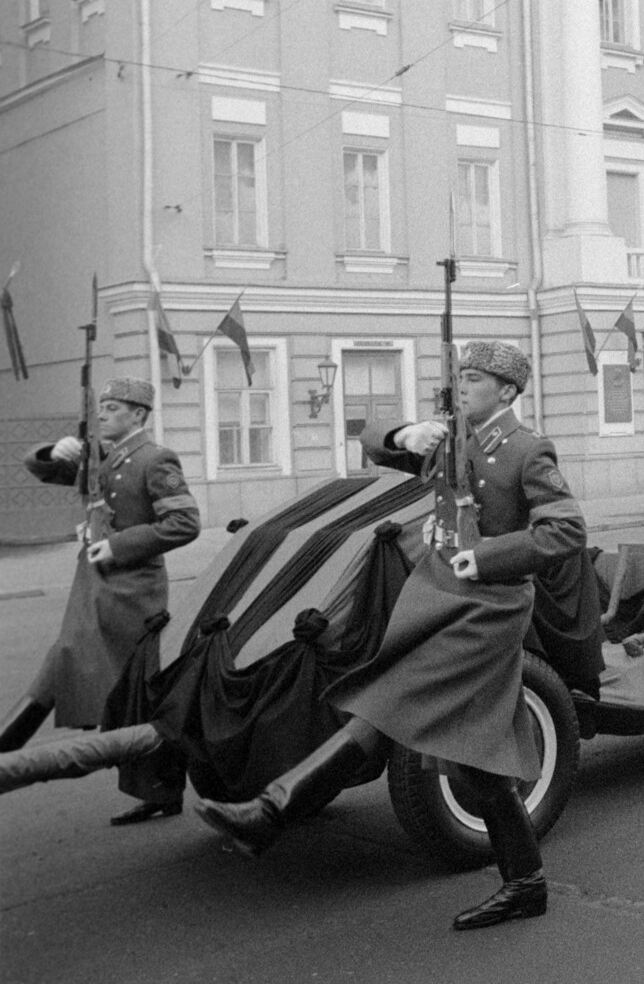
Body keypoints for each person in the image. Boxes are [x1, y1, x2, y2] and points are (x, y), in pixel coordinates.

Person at [197, 340, 586, 931]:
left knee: (385, 709)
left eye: (474, 378)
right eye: (458, 376)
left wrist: (485, 559)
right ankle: (527, 883)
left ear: (506, 391)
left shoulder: (528, 451)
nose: (460, 387)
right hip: (439, 603)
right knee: (477, 764)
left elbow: (566, 530)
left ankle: (269, 812)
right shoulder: (451, 442)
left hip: (487, 611)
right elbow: (374, 440)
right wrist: (407, 434)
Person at [2, 377, 200, 825]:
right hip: (95, 588)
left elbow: (185, 522)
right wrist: (57, 452)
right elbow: (40, 468)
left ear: (139, 415)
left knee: (140, 697)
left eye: (115, 407)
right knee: (64, 660)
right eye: (103, 406)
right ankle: (6, 750)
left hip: (133, 594)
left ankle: (160, 790)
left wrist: (118, 546)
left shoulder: (155, 459)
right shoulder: (100, 456)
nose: (104, 414)